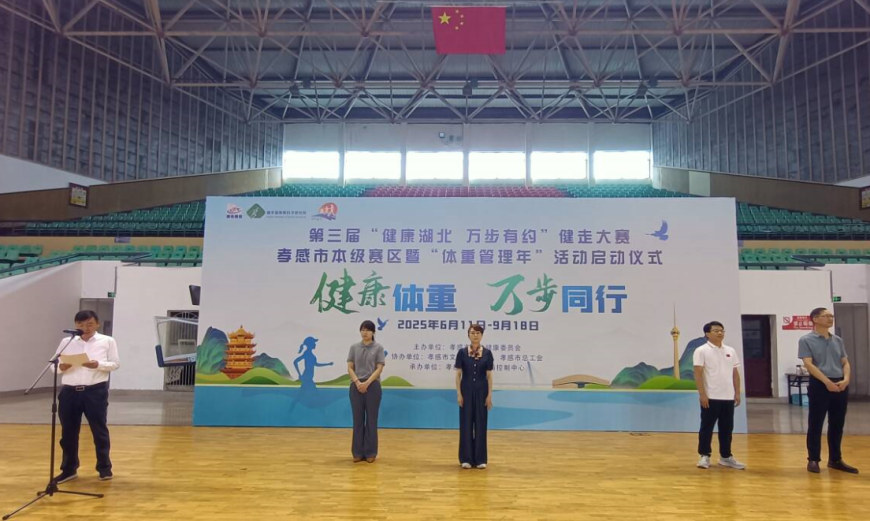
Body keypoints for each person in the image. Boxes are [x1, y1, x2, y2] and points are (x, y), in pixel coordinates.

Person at [54, 310, 120, 484]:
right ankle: (69, 470)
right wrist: (62, 367)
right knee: (68, 432)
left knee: (99, 430)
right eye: (81, 324)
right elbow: (54, 367)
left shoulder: (107, 341)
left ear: (97, 323)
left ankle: (104, 468)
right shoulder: (67, 342)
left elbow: (115, 364)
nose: (85, 327)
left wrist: (97, 364)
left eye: (89, 324)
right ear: (76, 325)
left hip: (95, 391)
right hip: (69, 392)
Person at [799, 307, 858, 474]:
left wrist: (846, 379)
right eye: (826, 316)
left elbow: (845, 362)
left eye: (831, 316)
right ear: (815, 319)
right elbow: (808, 364)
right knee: (816, 423)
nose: (830, 318)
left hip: (840, 384)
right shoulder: (806, 340)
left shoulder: (837, 340)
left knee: (837, 423)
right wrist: (826, 381)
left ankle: (835, 459)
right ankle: (813, 459)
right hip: (820, 384)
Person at [693, 321, 745, 470]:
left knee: (727, 429)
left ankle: (726, 457)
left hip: (728, 397)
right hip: (711, 396)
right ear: (707, 334)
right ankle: (704, 455)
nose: (720, 333)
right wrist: (702, 394)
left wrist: (737, 392)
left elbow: (735, 373)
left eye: (722, 330)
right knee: (707, 427)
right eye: (716, 331)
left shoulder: (730, 350)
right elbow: (698, 373)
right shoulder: (701, 350)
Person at [455, 324, 494, 469]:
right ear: (468, 335)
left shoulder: (487, 353)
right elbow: (458, 374)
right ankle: (466, 459)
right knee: (466, 425)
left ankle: (480, 459)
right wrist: (459, 393)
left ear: (482, 335)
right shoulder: (462, 353)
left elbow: (489, 376)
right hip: (466, 392)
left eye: (478, 333)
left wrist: (489, 395)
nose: (475, 335)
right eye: (472, 332)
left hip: (482, 392)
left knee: (480, 424)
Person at [347, 320, 385, 463]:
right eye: (362, 330)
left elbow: (379, 368)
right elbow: (350, 367)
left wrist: (367, 383)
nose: (365, 332)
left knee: (371, 420)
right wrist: (358, 382)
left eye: (368, 330)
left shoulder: (378, 348)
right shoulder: (354, 347)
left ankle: (370, 452)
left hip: (373, 386)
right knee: (357, 420)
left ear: (373, 332)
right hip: (356, 386)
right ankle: (357, 452)